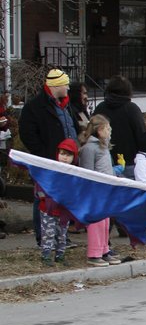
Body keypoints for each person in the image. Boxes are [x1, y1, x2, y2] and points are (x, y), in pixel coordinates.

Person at [19, 69, 78, 246]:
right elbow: (27, 134)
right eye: (65, 84)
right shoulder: (35, 107)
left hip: (66, 161)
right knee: (43, 199)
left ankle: (61, 238)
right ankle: (44, 239)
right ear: (56, 85)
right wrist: (43, 154)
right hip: (47, 161)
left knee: (62, 199)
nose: (68, 87)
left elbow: (72, 127)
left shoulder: (66, 105)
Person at [77, 114, 121, 266]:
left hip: (106, 191)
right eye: (107, 128)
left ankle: (104, 249)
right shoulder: (89, 148)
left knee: (105, 222)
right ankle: (94, 253)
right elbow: (87, 171)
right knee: (96, 223)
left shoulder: (103, 147)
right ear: (99, 130)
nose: (110, 131)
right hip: (95, 192)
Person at [94, 75, 146, 179]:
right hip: (130, 162)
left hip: (105, 162)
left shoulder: (100, 108)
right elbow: (142, 135)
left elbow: (92, 134)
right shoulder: (132, 109)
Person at [38, 139, 78, 265]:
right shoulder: (50, 169)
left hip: (64, 210)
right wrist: (43, 198)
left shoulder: (74, 173)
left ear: (74, 157)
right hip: (48, 209)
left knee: (62, 234)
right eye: (62, 154)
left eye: (68, 155)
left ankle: (60, 255)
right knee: (48, 233)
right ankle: (46, 255)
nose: (64, 158)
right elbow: (40, 186)